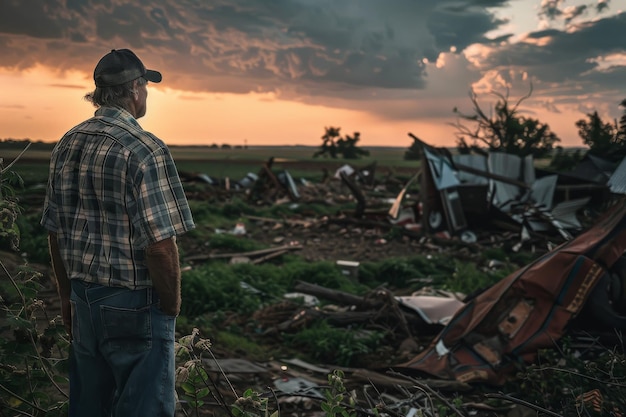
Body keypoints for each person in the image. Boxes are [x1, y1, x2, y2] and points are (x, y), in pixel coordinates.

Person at [41, 48, 195, 417]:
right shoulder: (145, 149)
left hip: (83, 299)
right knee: (144, 407)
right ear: (136, 90)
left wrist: (67, 297)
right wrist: (170, 309)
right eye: (145, 86)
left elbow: (55, 232)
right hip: (133, 304)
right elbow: (160, 246)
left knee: (89, 407)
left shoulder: (67, 143)